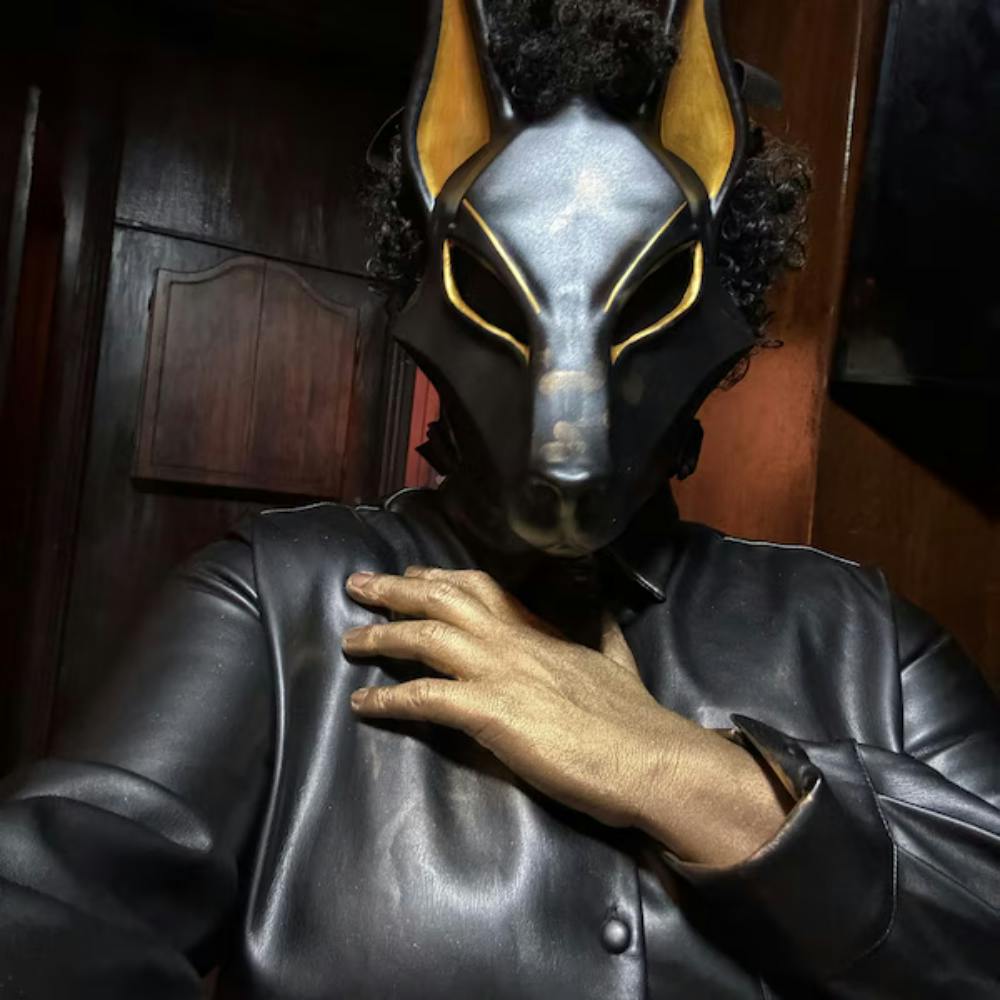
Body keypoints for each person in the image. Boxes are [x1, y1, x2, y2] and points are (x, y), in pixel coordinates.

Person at [1, 1, 998, 997]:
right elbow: (46, 916)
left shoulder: (868, 643)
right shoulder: (282, 605)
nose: (569, 422)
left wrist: (694, 778)